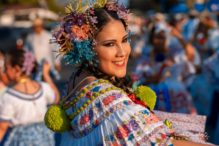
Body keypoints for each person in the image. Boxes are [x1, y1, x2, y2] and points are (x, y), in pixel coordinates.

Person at [45, 1, 211, 145]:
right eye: (110, 44)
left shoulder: (78, 79)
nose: (122, 52)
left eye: (124, 40)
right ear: (86, 49)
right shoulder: (107, 101)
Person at [0, 49, 60, 146]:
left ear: (16, 69)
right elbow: (56, 98)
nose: (5, 71)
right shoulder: (43, 88)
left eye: (7, 67)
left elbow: (2, 128)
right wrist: (46, 75)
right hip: (45, 141)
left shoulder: (9, 97)